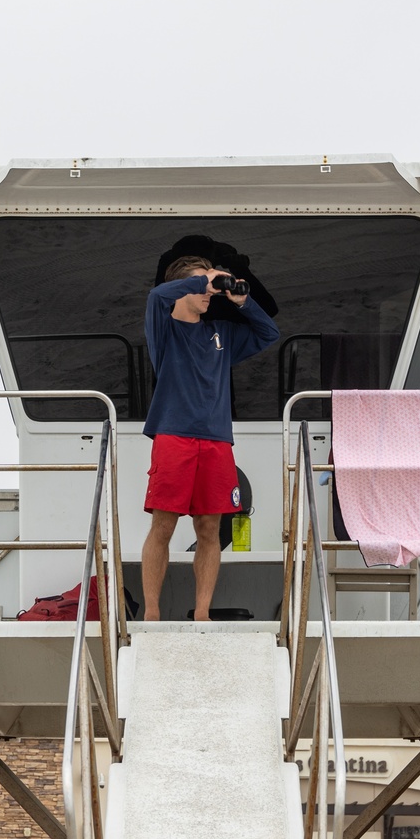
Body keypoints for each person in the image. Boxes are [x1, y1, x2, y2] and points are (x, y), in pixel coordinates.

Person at [141, 256, 279, 621]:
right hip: (173, 437)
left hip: (217, 441)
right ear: (184, 287)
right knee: (164, 526)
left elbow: (269, 333)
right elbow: (157, 296)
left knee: (208, 529)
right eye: (203, 286)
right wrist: (202, 281)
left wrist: (242, 301)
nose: (210, 293)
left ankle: (202, 613)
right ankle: (151, 614)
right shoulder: (164, 328)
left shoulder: (221, 332)